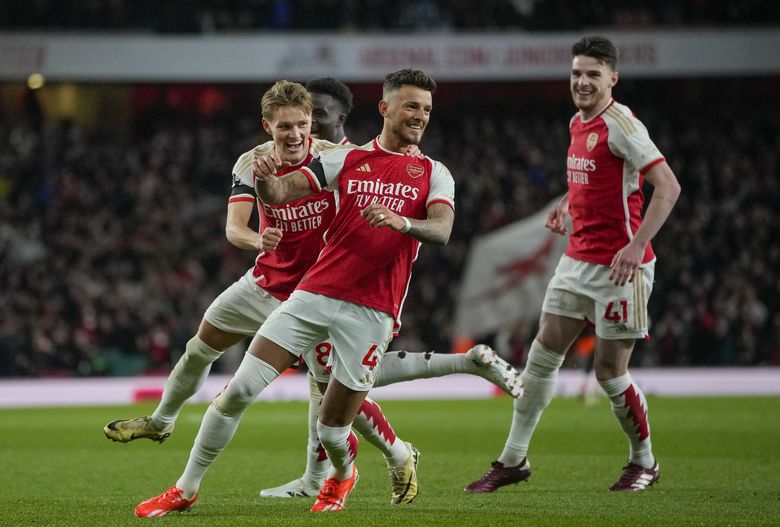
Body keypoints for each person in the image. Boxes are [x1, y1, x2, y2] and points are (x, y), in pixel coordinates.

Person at [259, 77, 524, 500]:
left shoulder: (433, 171)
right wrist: (262, 178)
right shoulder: (346, 159)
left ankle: (370, 462)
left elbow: (441, 229)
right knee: (324, 385)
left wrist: (404, 223)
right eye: (411, 107)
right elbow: (278, 193)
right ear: (384, 109)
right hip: (318, 289)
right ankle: (333, 474)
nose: (420, 116)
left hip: (373, 304)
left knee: (336, 399)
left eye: (426, 109)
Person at [465, 36, 681, 494]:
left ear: (613, 79)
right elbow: (594, 177)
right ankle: (512, 460)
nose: (582, 82)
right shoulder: (577, 122)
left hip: (622, 268)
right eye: (576, 73)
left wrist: (635, 245)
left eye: (593, 75)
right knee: (542, 357)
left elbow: (668, 186)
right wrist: (567, 202)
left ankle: (644, 462)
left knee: (609, 373)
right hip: (577, 259)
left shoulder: (622, 125)